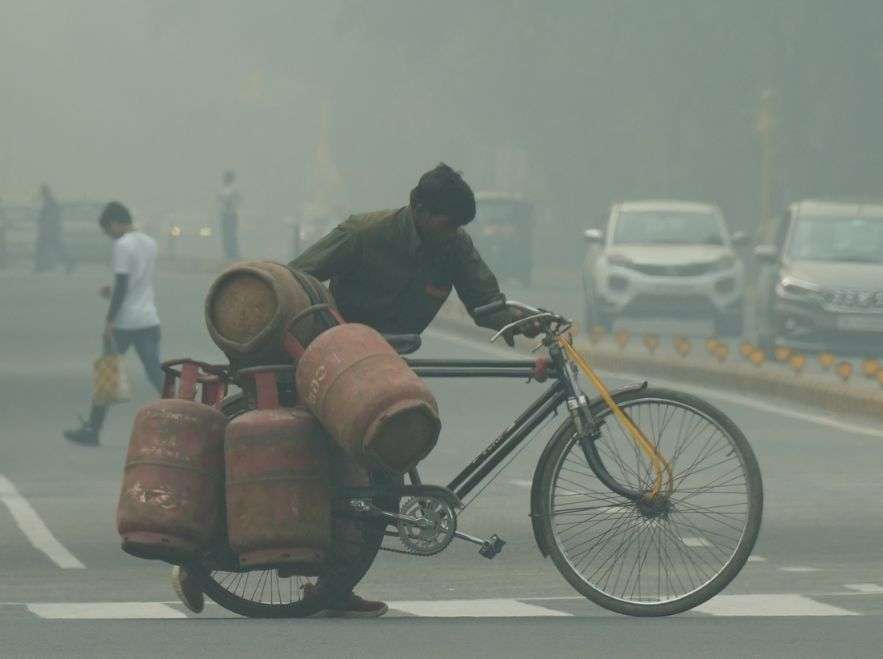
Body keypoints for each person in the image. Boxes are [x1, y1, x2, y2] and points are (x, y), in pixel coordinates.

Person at [170, 163, 541, 619]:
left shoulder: (454, 246)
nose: (453, 232)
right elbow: (294, 282)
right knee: (316, 477)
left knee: (379, 485)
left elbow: (486, 304)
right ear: (418, 208)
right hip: (335, 365)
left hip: (388, 370)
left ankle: (332, 587)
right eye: (447, 222)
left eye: (460, 226)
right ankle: (202, 562)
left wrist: (526, 324)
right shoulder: (364, 234)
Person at [64, 202, 163, 446]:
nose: (109, 236)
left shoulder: (122, 245)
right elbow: (135, 284)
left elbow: (121, 285)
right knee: (156, 375)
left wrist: (109, 320)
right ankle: (189, 416)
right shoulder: (149, 243)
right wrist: (115, 292)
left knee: (106, 375)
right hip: (149, 319)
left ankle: (92, 430)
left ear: (115, 223)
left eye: (108, 230)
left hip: (125, 324)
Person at [34, 184, 76, 273]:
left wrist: (43, 225)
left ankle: (69, 263)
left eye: (43, 193)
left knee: (54, 248)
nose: (41, 195)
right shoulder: (50, 202)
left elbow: (50, 218)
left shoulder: (51, 203)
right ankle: (41, 266)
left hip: (50, 231)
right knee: (48, 248)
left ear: (46, 193)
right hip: (50, 231)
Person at [217, 170, 240, 260]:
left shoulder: (235, 189)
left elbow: (236, 201)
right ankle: (227, 253)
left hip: (232, 214)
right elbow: (219, 201)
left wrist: (229, 202)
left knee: (231, 234)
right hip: (224, 214)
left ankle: (233, 253)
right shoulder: (222, 189)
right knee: (225, 234)